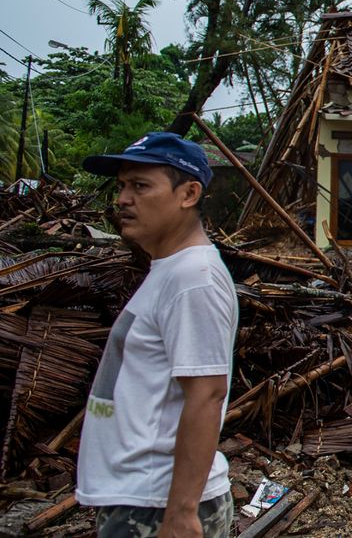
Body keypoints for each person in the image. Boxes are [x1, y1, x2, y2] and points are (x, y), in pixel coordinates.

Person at [77, 132, 239, 538]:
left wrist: (181, 512)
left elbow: (207, 392)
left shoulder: (193, 278)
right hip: (141, 498)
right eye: (122, 187)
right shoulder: (170, 270)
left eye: (140, 186)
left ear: (189, 193)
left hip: (156, 504)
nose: (123, 199)